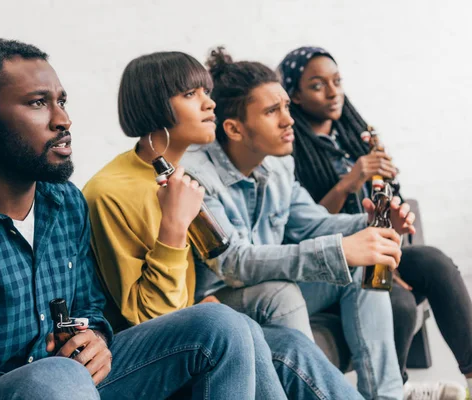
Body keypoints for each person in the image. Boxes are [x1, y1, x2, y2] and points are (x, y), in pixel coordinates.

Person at [0, 39, 280, 400]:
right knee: (53, 377)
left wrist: (96, 336)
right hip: (13, 388)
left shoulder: (65, 202)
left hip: (85, 381)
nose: (62, 120)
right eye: (38, 103)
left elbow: (89, 304)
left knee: (221, 325)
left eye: (62, 101)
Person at [83, 50, 365, 399]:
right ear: (154, 107)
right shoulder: (110, 191)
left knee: (290, 345)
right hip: (147, 348)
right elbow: (147, 317)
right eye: (191, 95)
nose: (209, 104)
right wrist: (173, 226)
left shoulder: (182, 176)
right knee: (242, 325)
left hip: (201, 319)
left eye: (206, 91)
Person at [180, 47, 419, 400]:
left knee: (361, 268)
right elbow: (233, 262)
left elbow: (311, 224)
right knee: (284, 291)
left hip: (271, 282)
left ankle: (386, 396)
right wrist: (338, 250)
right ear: (234, 128)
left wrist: (366, 222)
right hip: (222, 301)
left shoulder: (278, 166)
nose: (289, 120)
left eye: (286, 108)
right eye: (272, 111)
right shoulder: (198, 176)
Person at [280, 45, 471, 400]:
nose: (333, 91)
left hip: (373, 245)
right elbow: (305, 225)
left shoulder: (354, 136)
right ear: (295, 95)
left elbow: (382, 207)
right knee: (394, 299)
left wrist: (388, 215)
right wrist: (350, 181)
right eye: (318, 85)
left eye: (337, 81)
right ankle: (398, 389)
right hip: (332, 258)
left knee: (436, 263)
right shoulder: (288, 148)